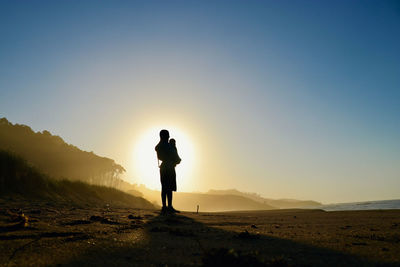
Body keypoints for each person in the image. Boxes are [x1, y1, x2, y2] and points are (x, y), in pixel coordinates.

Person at [155, 130, 181, 214]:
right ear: (166, 136)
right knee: (168, 188)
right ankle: (168, 206)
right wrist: (174, 147)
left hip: (164, 167)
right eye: (168, 135)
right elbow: (177, 158)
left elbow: (157, 149)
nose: (169, 137)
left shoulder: (161, 145)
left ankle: (165, 207)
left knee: (165, 187)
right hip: (169, 167)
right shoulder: (168, 146)